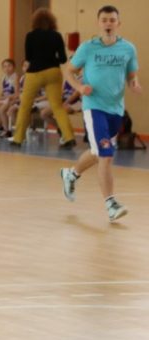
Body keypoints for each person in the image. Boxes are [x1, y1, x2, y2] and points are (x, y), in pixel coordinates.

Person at [59, 4, 140, 222]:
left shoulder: (128, 49)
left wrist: (134, 83)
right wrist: (79, 88)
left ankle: (71, 174)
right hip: (94, 107)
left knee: (97, 152)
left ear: (118, 23)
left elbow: (132, 74)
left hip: (116, 109)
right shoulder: (87, 48)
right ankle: (111, 204)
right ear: (98, 23)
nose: (108, 24)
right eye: (104, 20)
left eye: (112, 20)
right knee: (106, 154)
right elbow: (69, 72)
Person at [10, 8, 76, 148]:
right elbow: (63, 59)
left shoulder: (30, 36)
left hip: (34, 73)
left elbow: (28, 58)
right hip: (53, 72)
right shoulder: (57, 36)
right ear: (52, 22)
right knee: (57, 107)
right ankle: (69, 137)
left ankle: (18, 139)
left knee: (25, 106)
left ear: (35, 22)